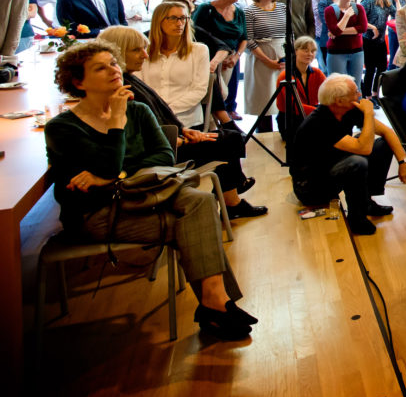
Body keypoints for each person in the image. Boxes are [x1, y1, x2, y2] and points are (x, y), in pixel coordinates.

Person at [44, 40, 257, 340]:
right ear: (78, 82)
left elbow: (163, 158)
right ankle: (217, 306)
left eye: (114, 64)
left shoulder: (139, 111)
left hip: (147, 196)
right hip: (98, 214)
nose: (113, 71)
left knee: (199, 203)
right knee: (199, 216)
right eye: (100, 68)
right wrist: (117, 122)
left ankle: (215, 304)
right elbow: (107, 168)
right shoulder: (62, 128)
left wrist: (113, 177)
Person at [99, 25, 267, 219]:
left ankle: (232, 197)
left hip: (170, 140)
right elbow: (138, 137)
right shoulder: (123, 90)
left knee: (230, 139)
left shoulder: (129, 79)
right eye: (137, 50)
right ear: (118, 51)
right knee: (229, 141)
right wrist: (179, 138)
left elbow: (156, 117)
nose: (145, 55)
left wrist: (183, 130)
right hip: (160, 155)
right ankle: (233, 198)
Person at [290, 74, 406, 235]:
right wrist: (369, 113)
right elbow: (364, 149)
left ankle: (367, 201)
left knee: (383, 145)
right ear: (339, 100)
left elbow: (387, 132)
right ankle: (357, 219)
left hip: (330, 167)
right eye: (355, 92)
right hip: (311, 187)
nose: (360, 95)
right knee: (357, 162)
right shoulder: (319, 122)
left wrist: (403, 162)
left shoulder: (348, 109)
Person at [139, 1, 212, 127]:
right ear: (159, 20)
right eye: (173, 18)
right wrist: (156, 111)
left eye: (183, 18)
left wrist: (167, 110)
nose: (179, 23)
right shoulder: (143, 52)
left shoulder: (199, 50)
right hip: (150, 118)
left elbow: (199, 90)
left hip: (186, 120)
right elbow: (139, 87)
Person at [193, 0, 248, 119]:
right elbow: (195, 35)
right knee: (215, 94)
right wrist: (217, 58)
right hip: (210, 59)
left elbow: (244, 39)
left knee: (224, 95)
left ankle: (220, 125)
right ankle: (212, 126)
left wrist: (236, 56)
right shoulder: (206, 9)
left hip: (231, 61)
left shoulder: (239, 12)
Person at [243, 0, 286, 132]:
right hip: (261, 56)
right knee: (264, 98)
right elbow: (248, 39)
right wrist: (267, 60)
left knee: (284, 97)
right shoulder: (249, 11)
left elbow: (290, 33)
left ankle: (284, 131)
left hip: (282, 54)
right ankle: (264, 132)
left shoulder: (282, 7)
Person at [276, 37, 325, 141]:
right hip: (290, 119)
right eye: (305, 50)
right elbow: (294, 106)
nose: (309, 54)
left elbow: (330, 92)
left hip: (312, 115)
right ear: (296, 51)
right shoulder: (285, 76)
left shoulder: (317, 73)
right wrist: (321, 113)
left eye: (312, 51)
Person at [360, 0, 399, 100]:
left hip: (380, 41)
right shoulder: (368, 1)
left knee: (382, 69)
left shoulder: (387, 1)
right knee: (370, 69)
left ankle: (376, 94)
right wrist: (373, 28)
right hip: (368, 40)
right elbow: (360, 20)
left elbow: (399, 15)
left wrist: (396, 0)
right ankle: (367, 96)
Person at [324, 0, 370, 87]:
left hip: (356, 51)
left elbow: (363, 28)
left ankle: (356, 104)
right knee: (338, 86)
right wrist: (346, 16)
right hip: (336, 52)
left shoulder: (358, 8)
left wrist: (339, 31)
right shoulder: (330, 10)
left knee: (355, 86)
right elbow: (335, 30)